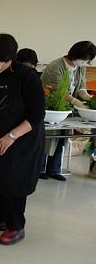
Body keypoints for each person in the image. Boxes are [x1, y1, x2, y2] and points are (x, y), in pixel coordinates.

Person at [0, 33, 45, 245]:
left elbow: (37, 114)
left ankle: (15, 226)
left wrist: (12, 136)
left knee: (12, 180)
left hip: (20, 137)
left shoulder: (27, 76)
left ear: (5, 56)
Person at [40, 41, 96, 181]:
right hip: (50, 107)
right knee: (47, 139)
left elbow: (81, 85)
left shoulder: (79, 67)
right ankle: (40, 169)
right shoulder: (56, 66)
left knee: (61, 139)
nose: (86, 63)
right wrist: (76, 102)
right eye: (86, 59)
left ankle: (54, 169)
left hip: (65, 109)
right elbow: (57, 90)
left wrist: (87, 98)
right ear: (76, 54)